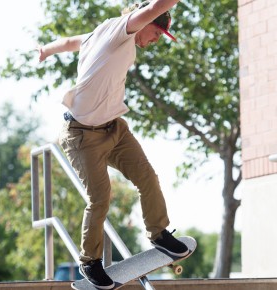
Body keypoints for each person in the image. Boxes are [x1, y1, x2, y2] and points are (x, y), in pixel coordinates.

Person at [37, 1, 188, 289]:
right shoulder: (123, 28)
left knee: (147, 176)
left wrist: (47, 49)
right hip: (82, 137)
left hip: (115, 129)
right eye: (157, 32)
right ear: (145, 21)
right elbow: (159, 5)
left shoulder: (100, 34)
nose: (156, 40)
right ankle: (90, 261)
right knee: (100, 198)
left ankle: (159, 233)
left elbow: (71, 41)